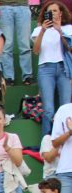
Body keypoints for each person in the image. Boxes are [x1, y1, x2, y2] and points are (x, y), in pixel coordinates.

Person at [32, 3, 72, 137]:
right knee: (48, 109)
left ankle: (66, 140)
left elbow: (70, 48)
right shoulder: (38, 30)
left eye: (55, 11)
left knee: (66, 107)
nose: (53, 13)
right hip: (45, 69)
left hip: (63, 68)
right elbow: (36, 51)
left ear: (61, 13)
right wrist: (43, 30)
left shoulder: (68, 28)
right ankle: (47, 141)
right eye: (50, 11)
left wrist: (60, 31)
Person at [0, 0, 34, 87]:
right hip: (5, 5)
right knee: (7, 44)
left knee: (25, 44)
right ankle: (8, 77)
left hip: (23, 6)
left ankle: (27, 76)